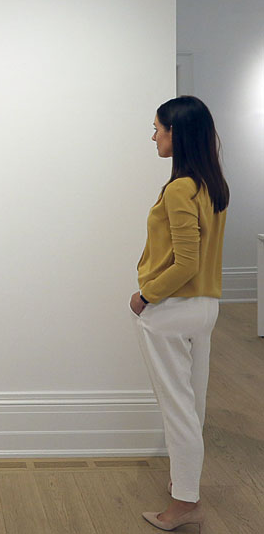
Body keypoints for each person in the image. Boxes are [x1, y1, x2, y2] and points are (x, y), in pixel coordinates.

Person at [130, 95, 229, 532]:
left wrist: (146, 295)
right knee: (194, 404)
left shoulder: (179, 188)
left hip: (172, 310)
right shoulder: (211, 185)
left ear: (177, 133)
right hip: (205, 308)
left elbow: (185, 262)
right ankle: (185, 488)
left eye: (157, 128)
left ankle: (184, 503)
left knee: (178, 409)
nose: (153, 135)